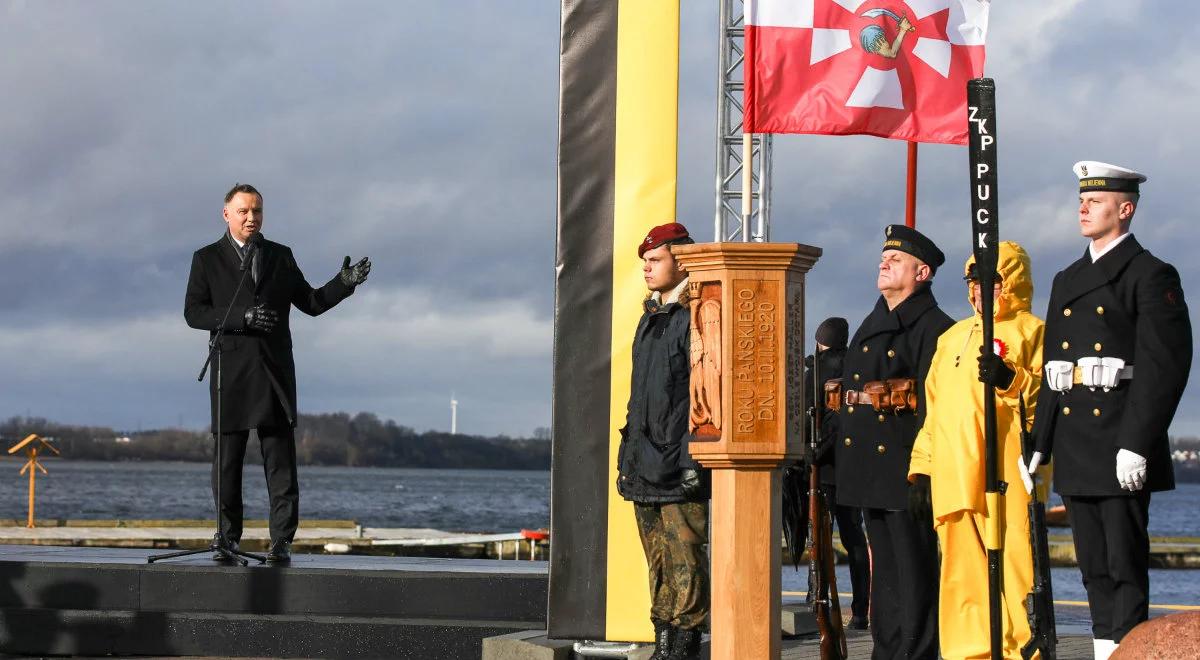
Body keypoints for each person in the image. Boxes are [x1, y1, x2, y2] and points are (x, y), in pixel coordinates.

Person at [1026, 162, 1192, 660]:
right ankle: (1105, 650)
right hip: (1078, 443)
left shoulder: (1149, 273)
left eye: (1094, 202)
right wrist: (1039, 444)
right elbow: (1056, 370)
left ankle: (1130, 649)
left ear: (1125, 209)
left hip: (1121, 438)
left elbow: (1166, 366)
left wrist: (1137, 442)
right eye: (1081, 200)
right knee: (1093, 565)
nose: (1082, 208)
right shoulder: (1066, 278)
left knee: (1123, 564)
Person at [184, 183, 371, 562]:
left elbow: (312, 302)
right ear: (227, 214)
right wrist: (242, 317)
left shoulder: (280, 256)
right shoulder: (206, 259)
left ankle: (281, 541)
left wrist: (343, 285)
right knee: (227, 464)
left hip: (273, 372)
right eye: (243, 211)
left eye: (257, 211)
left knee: (281, 464)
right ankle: (227, 538)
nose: (251, 217)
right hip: (230, 374)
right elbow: (194, 313)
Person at [908, 241, 1046, 659]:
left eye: (992, 282)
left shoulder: (1032, 331)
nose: (979, 291)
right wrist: (922, 468)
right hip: (954, 478)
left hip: (1007, 476)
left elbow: (1049, 402)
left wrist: (1011, 379)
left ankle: (1025, 651)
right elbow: (934, 408)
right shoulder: (951, 339)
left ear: (1012, 283)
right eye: (973, 282)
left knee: (1018, 573)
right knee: (961, 577)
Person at [834, 224, 953, 660]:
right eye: (883, 257)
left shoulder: (936, 328)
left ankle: (917, 653)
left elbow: (934, 409)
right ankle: (886, 652)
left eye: (896, 259)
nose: (884, 263)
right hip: (869, 468)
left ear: (922, 273)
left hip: (907, 468)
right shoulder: (874, 320)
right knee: (884, 572)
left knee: (915, 572)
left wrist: (925, 470)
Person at [616, 222, 708, 660]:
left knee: (685, 558)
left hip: (676, 460)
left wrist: (692, 457)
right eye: (645, 262)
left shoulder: (698, 314)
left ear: (681, 260)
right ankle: (663, 643)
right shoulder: (649, 319)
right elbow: (639, 398)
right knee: (657, 560)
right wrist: (626, 456)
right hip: (644, 458)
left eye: (655, 261)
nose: (647, 269)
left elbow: (705, 393)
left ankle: (684, 647)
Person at [804, 317, 871, 629]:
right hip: (852, 463)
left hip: (822, 464)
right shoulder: (856, 367)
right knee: (853, 536)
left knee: (816, 534)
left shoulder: (813, 373)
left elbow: (806, 415)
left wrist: (810, 452)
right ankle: (860, 610)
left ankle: (816, 598)